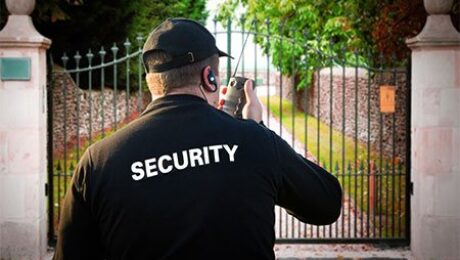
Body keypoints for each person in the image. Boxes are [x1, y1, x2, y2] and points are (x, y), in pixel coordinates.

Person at [53, 18, 342, 260]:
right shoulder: (256, 140)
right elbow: (327, 203)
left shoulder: (99, 160)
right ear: (210, 78)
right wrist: (257, 129)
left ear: (151, 81)